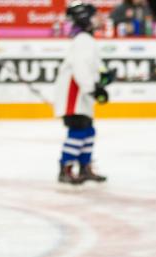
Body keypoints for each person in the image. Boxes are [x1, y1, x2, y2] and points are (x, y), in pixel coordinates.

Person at [53, 1, 111, 184]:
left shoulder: (87, 39)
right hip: (74, 94)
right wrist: (92, 88)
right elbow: (80, 68)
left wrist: (104, 76)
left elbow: (94, 66)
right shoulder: (83, 41)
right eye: (94, 16)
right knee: (78, 130)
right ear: (85, 19)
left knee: (88, 130)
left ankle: (84, 167)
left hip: (81, 94)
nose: (98, 19)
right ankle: (65, 168)